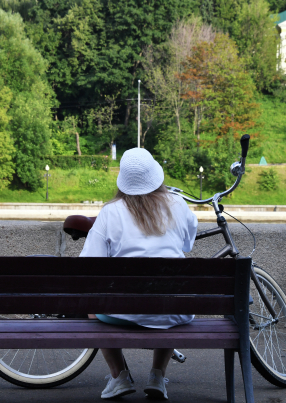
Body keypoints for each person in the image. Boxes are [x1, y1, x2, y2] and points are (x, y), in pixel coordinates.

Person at [79, 148, 198, 400]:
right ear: (156, 175)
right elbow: (187, 245)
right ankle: (157, 377)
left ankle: (119, 376)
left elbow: (88, 266)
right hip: (175, 310)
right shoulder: (178, 205)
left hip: (123, 311)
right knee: (169, 293)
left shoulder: (110, 212)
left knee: (92, 301)